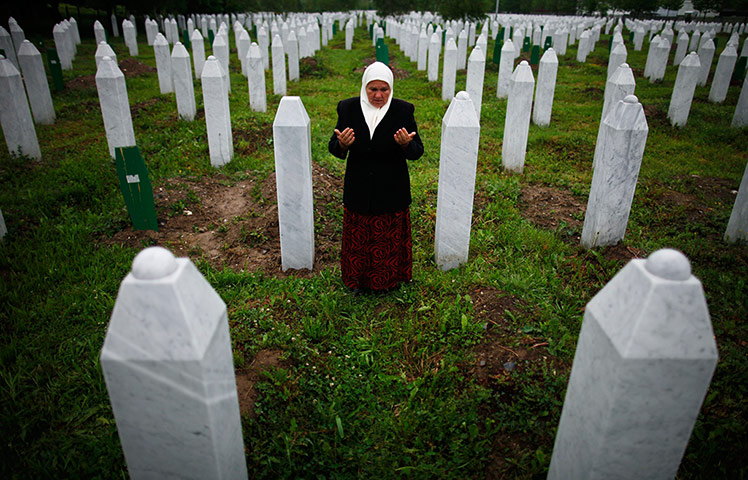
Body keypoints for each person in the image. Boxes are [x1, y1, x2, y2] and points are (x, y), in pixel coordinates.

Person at [328, 61, 424, 293]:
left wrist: (406, 145)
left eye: (384, 89)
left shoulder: (403, 111)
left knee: (386, 240)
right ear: (364, 87)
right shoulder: (348, 109)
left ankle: (387, 282)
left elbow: (417, 152)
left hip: (391, 188)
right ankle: (356, 281)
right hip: (359, 186)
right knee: (359, 238)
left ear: (391, 89)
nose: (379, 95)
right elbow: (334, 145)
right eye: (373, 89)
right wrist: (341, 145)